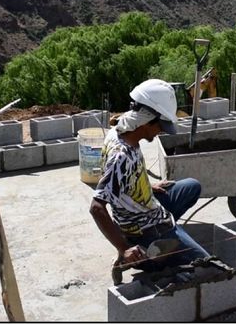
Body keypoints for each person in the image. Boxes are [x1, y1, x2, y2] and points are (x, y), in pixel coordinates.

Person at [89, 79, 210, 273]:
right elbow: (96, 208)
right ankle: (139, 254)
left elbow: (127, 175)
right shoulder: (121, 156)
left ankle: (164, 241)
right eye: (160, 126)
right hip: (142, 226)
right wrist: (123, 248)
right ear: (146, 120)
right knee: (204, 264)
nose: (161, 130)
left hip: (148, 207)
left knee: (192, 186)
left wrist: (145, 185)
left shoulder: (121, 131)